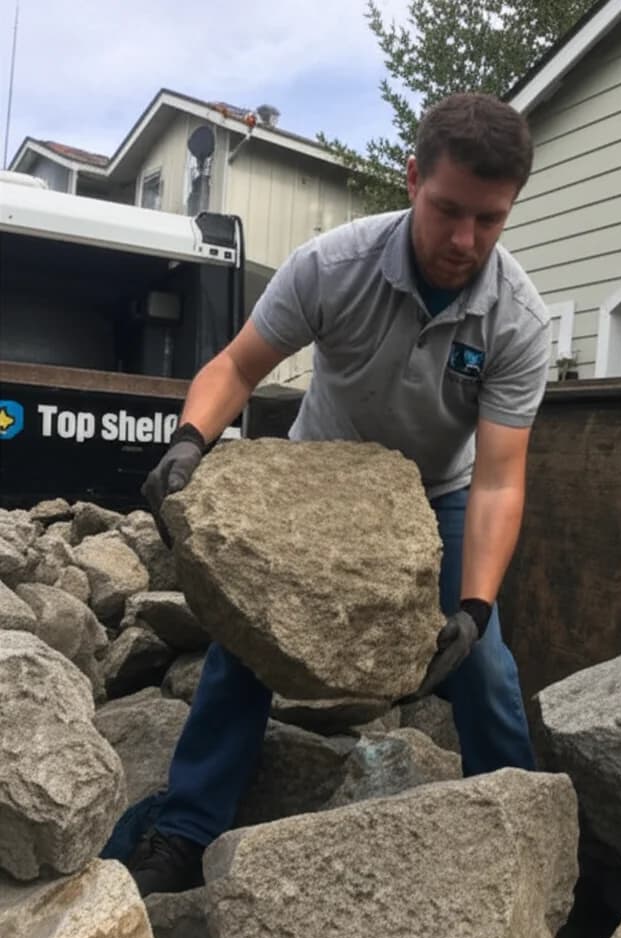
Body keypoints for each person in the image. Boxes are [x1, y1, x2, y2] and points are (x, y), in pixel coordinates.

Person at [128, 92, 550, 896]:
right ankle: (183, 833)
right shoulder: (332, 266)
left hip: (440, 496)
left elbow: (499, 477)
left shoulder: (519, 321)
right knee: (245, 646)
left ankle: (522, 841)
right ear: (413, 176)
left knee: (485, 668)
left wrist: (476, 607)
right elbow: (236, 368)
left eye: (489, 220)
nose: (465, 241)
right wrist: (189, 442)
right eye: (448, 210)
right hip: (316, 485)